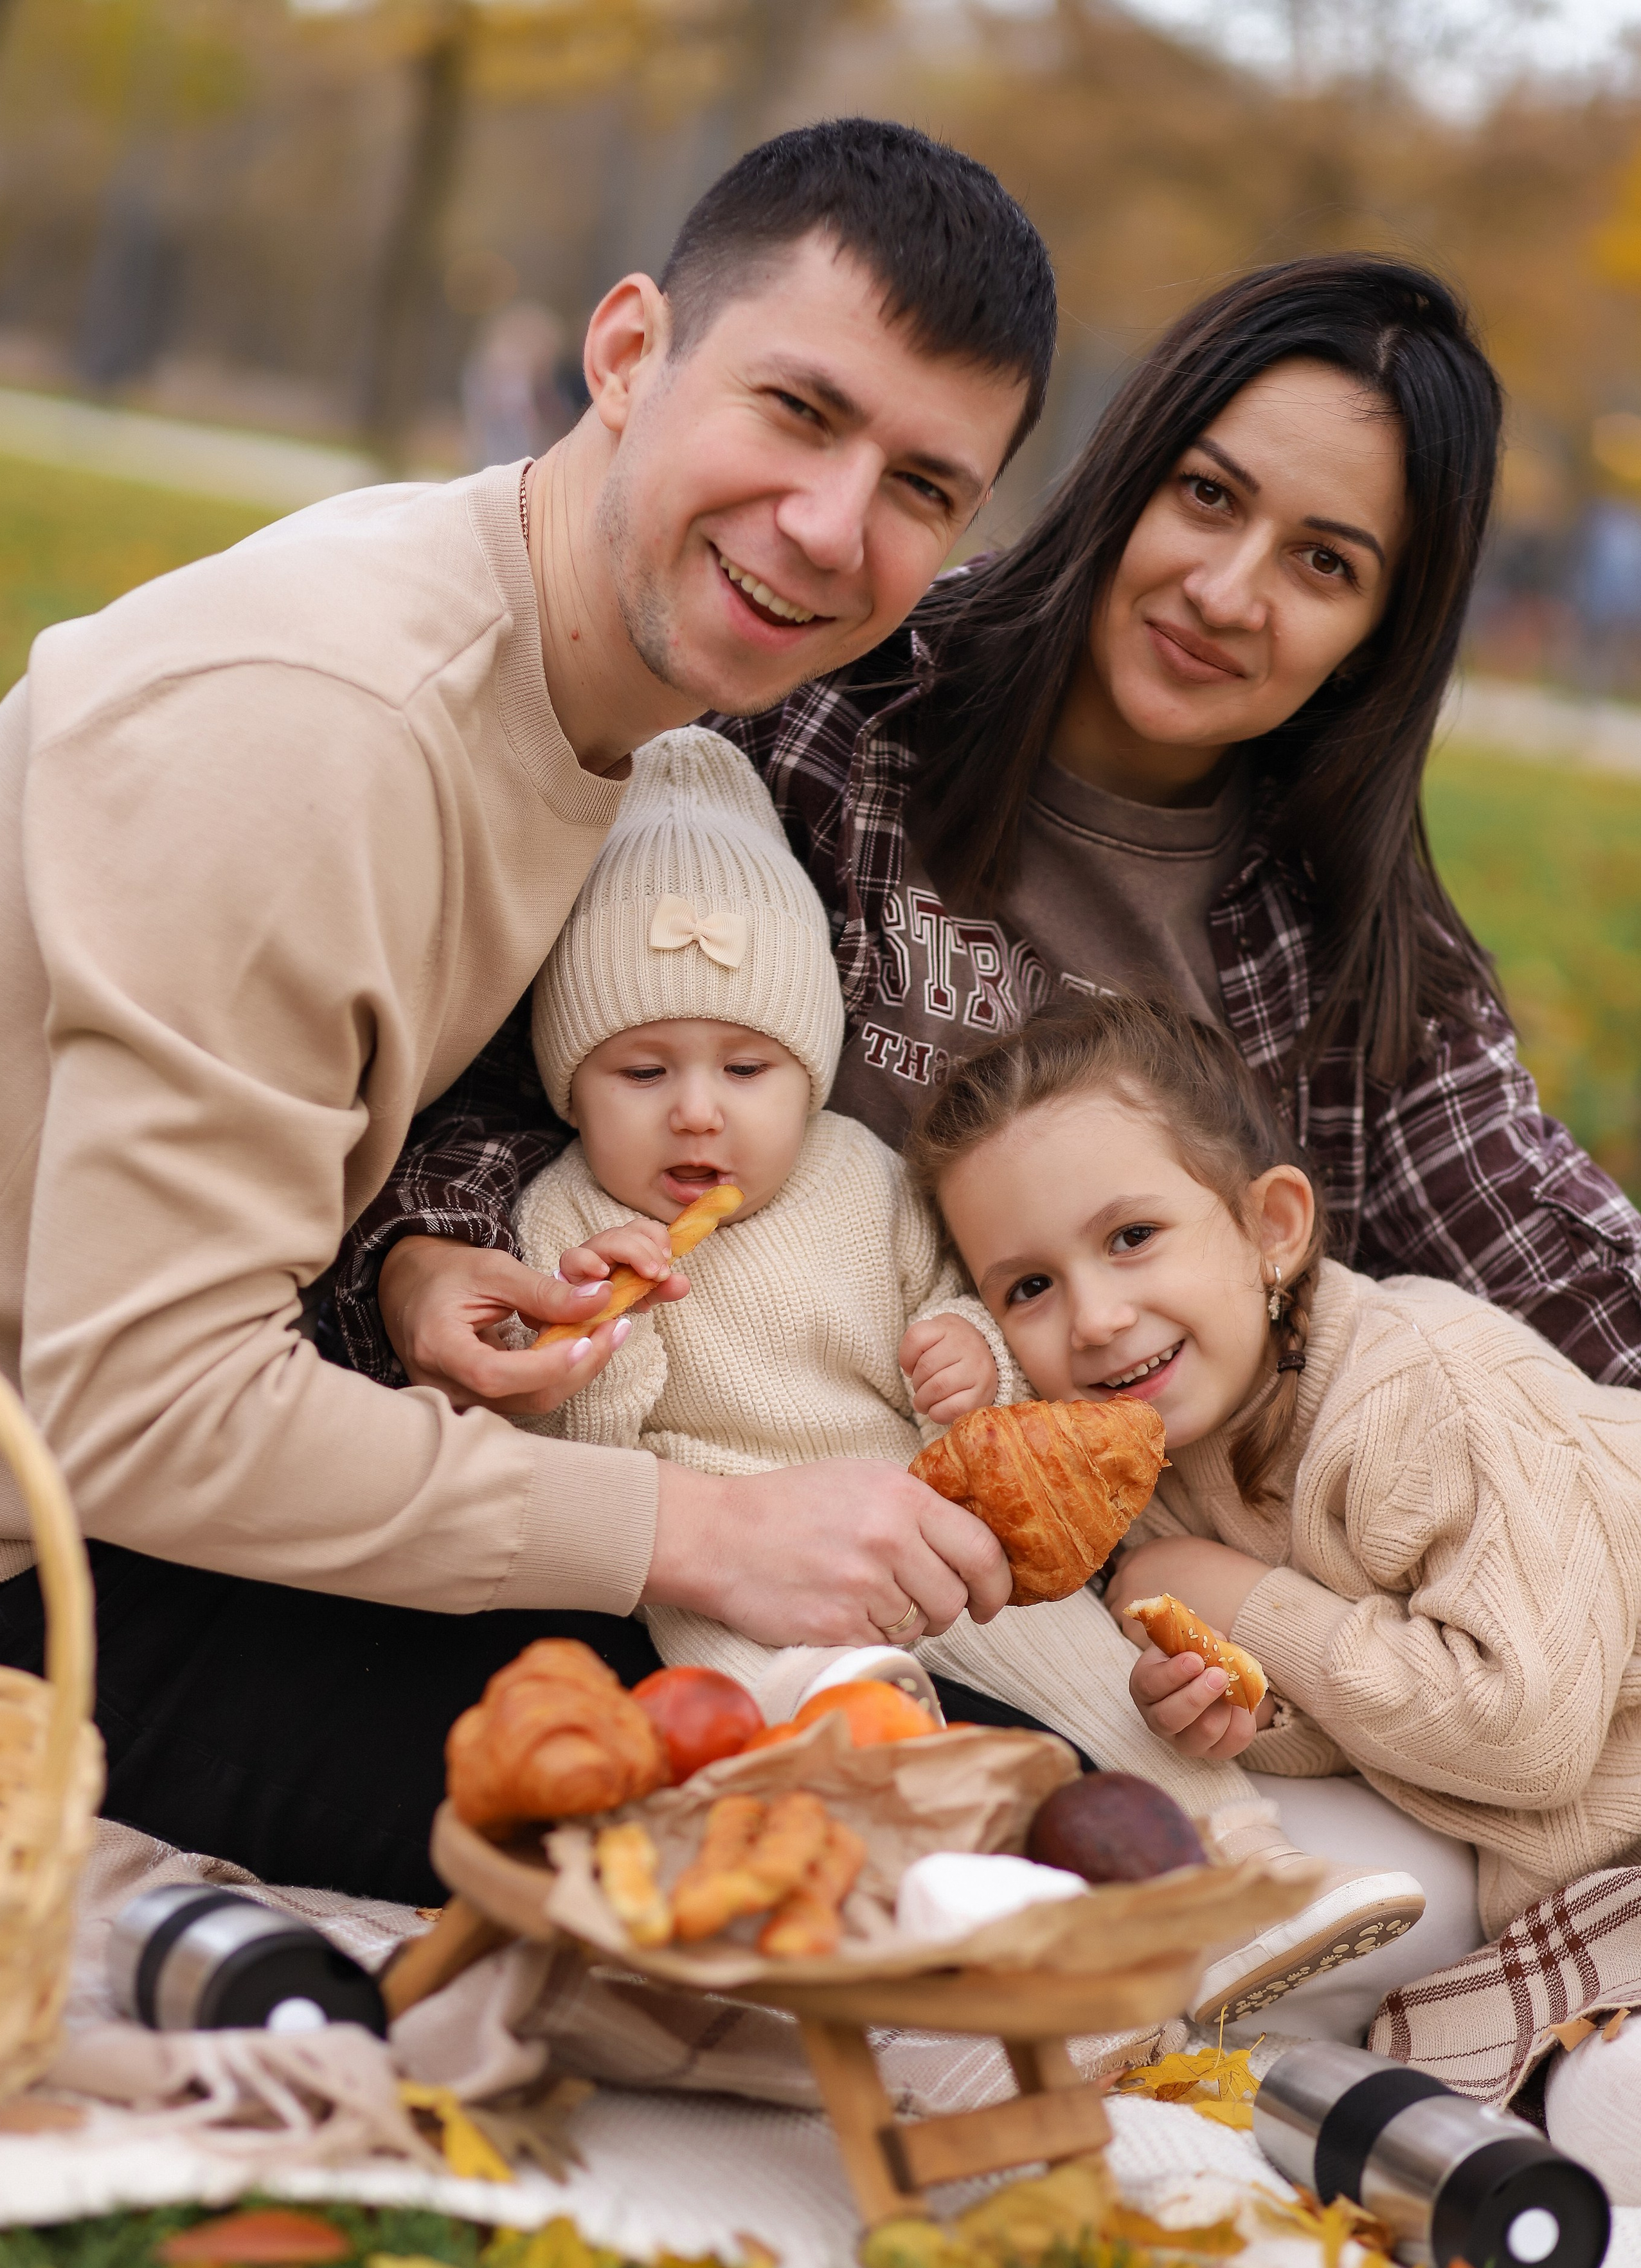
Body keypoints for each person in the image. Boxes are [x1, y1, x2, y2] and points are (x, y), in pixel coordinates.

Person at [0, 120, 1059, 1902]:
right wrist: (712, 1526)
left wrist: (413, 1272)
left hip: (94, 1491)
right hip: (43, 1567)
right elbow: (144, 1410)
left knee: (961, 1786)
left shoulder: (591, 710)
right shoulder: (331, 723)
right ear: (629, 349)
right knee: (807, 1855)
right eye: (798, 411)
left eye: (923, 488)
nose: (829, 528)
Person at [358, 254, 1641, 1433]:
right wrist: (423, 1254)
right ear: (1124, 470)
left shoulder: (1356, 950)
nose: (1223, 591)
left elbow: (1561, 1271)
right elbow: (498, 1057)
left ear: (1377, 631)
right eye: (1205, 496)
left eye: (1320, 563)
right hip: (668, 1447)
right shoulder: (840, 707)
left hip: (1085, 1609)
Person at [507, 725, 1430, 2026]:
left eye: (747, 1068)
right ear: (570, 1083)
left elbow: (966, 1311)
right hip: (738, 1568)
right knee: (827, 1719)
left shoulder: (851, 1173)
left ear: (808, 1064)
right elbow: (590, 1452)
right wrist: (605, 1331)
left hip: (931, 1516)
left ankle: (1251, 1877)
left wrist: (969, 1353)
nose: (697, 1112)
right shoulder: (566, 1221)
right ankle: (977, 1925)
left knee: (1088, 1670)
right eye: (642, 1072)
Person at [905, 994, 1641, 2041]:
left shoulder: (1426, 1393)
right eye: (1030, 1285)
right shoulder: (1149, 1463)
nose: (1098, 1317)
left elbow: (1525, 1734)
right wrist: (1246, 1709)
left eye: (1132, 1235)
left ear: (1271, 1229)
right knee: (1209, 1884)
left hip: (1597, 1807)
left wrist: (1247, 1605)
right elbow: (1383, 1719)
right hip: (1536, 1857)